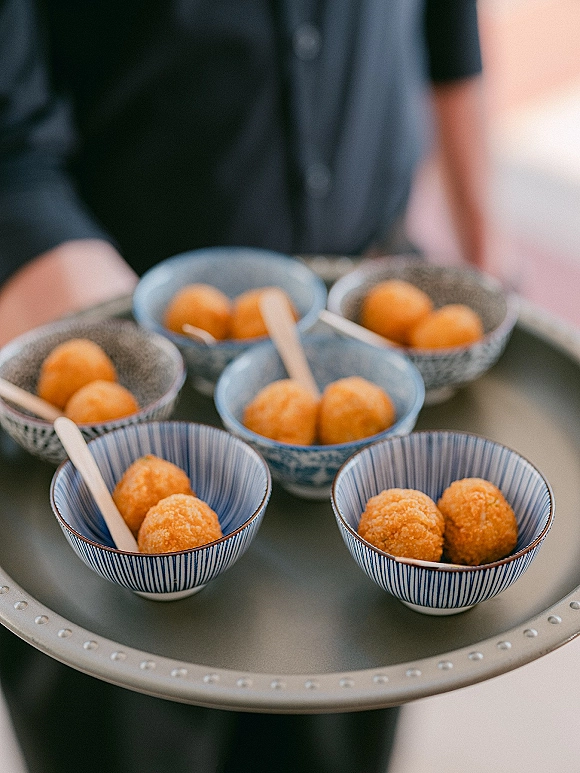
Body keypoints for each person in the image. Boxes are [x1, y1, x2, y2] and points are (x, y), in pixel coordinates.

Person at [0, 1, 489, 770]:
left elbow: (447, 24)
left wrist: (479, 247)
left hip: (366, 371)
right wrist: (125, 350)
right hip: (114, 382)